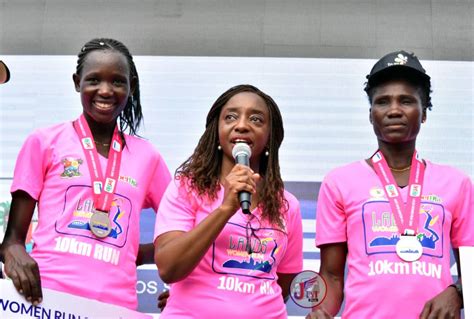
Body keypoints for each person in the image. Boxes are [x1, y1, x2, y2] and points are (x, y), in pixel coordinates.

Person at [0, 38, 171, 310]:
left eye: (117, 81)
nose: (105, 90)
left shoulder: (147, 156)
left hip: (115, 308)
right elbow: (13, 241)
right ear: (77, 82)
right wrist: (14, 253)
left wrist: (137, 255)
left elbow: (184, 228)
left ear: (131, 87)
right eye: (94, 80)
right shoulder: (44, 141)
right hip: (47, 300)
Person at [308, 51, 473, 319]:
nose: (394, 110)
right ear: (371, 115)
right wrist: (320, 312)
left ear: (424, 113)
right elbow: (331, 275)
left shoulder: (457, 184)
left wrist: (457, 292)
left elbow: (472, 269)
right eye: (382, 102)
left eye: (406, 101)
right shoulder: (339, 182)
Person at [154, 84, 303, 318]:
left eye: (256, 119)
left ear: (270, 136)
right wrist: (225, 209)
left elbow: (285, 280)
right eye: (231, 117)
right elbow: (169, 267)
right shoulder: (186, 188)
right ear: (217, 130)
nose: (242, 125)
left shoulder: (287, 204)